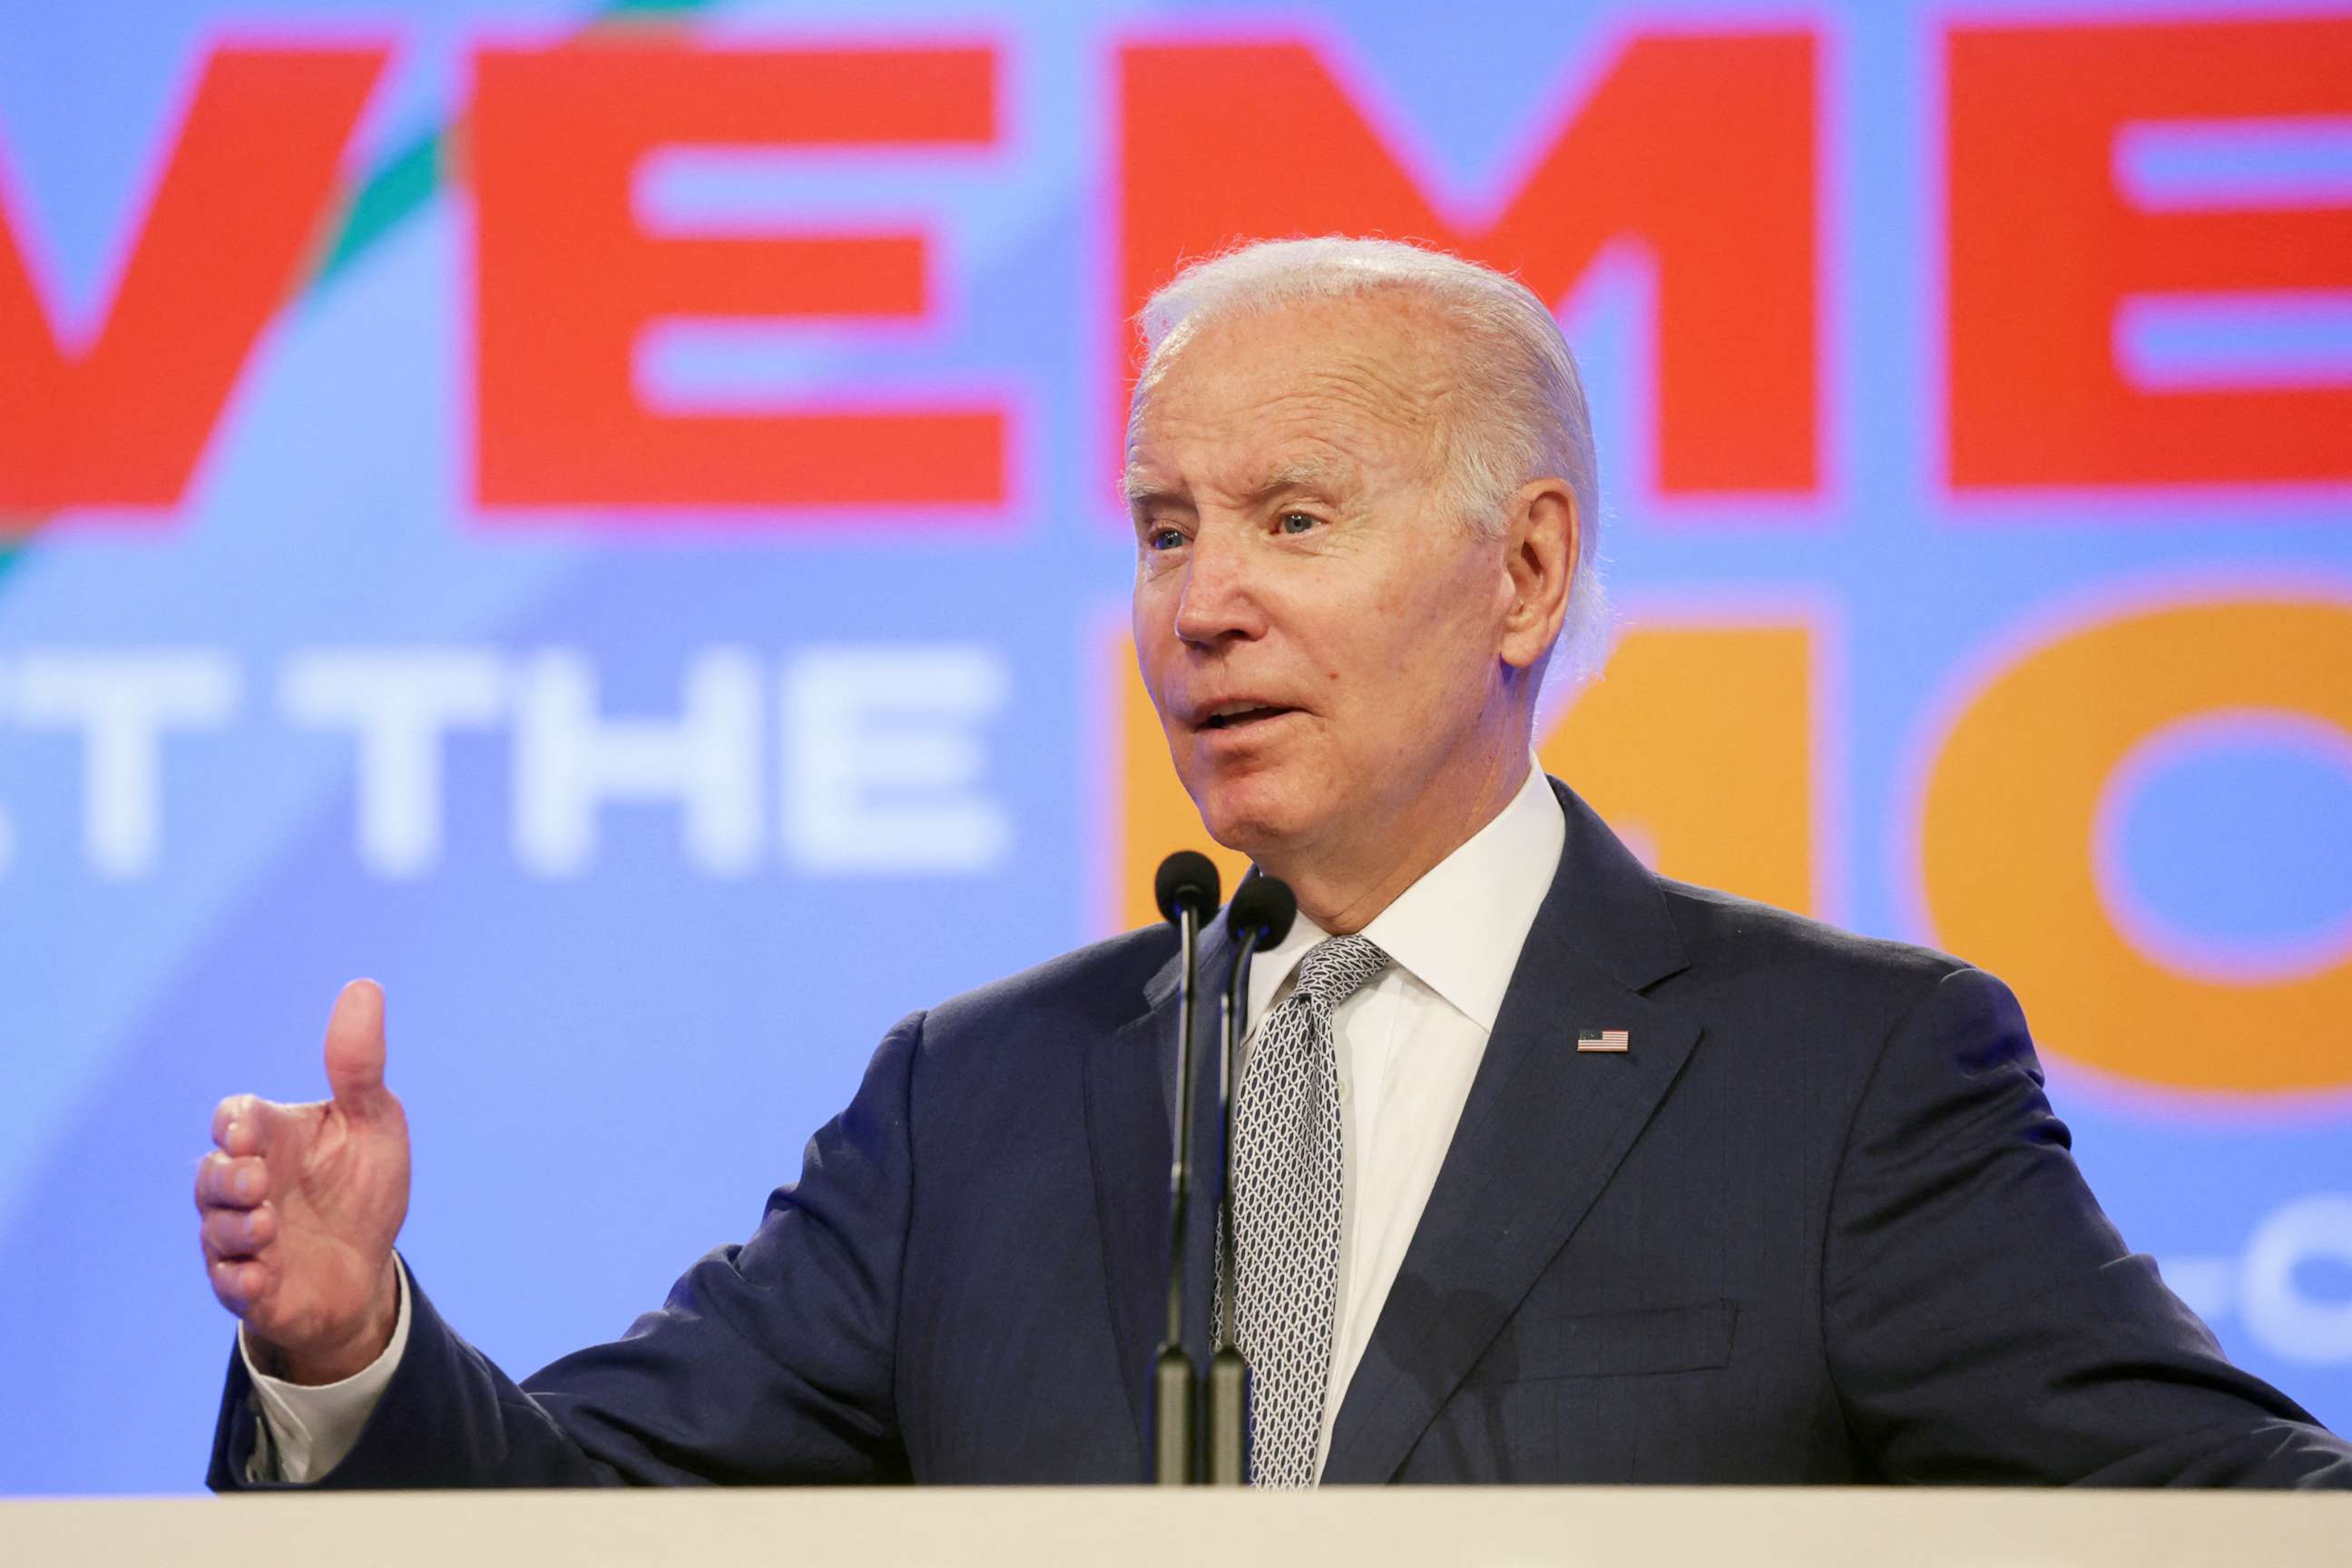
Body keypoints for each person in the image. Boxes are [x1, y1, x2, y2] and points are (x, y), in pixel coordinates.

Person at [199, 237, 2352, 1488]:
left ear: (1527, 572)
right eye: (1162, 529)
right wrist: (346, 1338)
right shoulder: (977, 1105)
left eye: (1291, 521)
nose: (1199, 602)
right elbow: (584, 1514)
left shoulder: (1846, 1081)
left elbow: (2242, 1516)